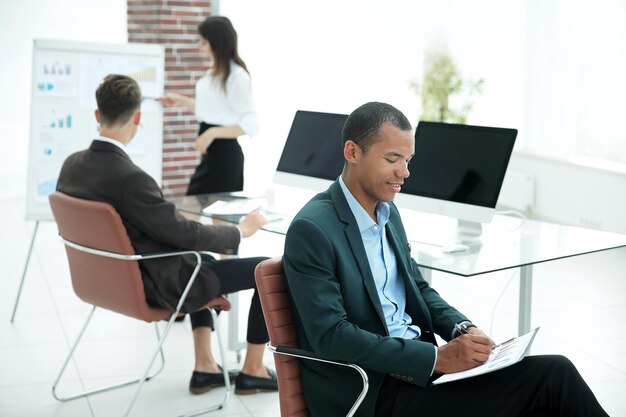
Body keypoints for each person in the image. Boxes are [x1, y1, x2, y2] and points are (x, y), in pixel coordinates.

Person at [283, 101, 609, 417]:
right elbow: (331, 335)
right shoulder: (312, 229)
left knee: (540, 396)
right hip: (373, 389)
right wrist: (435, 358)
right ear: (352, 152)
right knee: (553, 378)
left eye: (408, 160)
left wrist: (463, 329)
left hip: (420, 369)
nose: (404, 172)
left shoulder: (387, 211)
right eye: (393, 159)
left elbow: (418, 288)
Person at [57, 74, 277, 396]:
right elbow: (182, 233)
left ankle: (205, 367)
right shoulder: (130, 178)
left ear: (97, 115)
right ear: (138, 117)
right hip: (157, 285)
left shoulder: (71, 166)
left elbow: (171, 232)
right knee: (269, 269)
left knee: (199, 258)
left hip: (107, 282)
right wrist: (240, 231)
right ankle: (254, 370)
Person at [159, 15, 257, 196]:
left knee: (218, 219)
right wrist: (179, 100)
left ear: (216, 43)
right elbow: (211, 112)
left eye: (204, 42)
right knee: (190, 209)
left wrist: (212, 133)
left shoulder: (237, 77)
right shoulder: (212, 73)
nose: (199, 46)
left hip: (226, 157)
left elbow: (250, 124)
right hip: (210, 157)